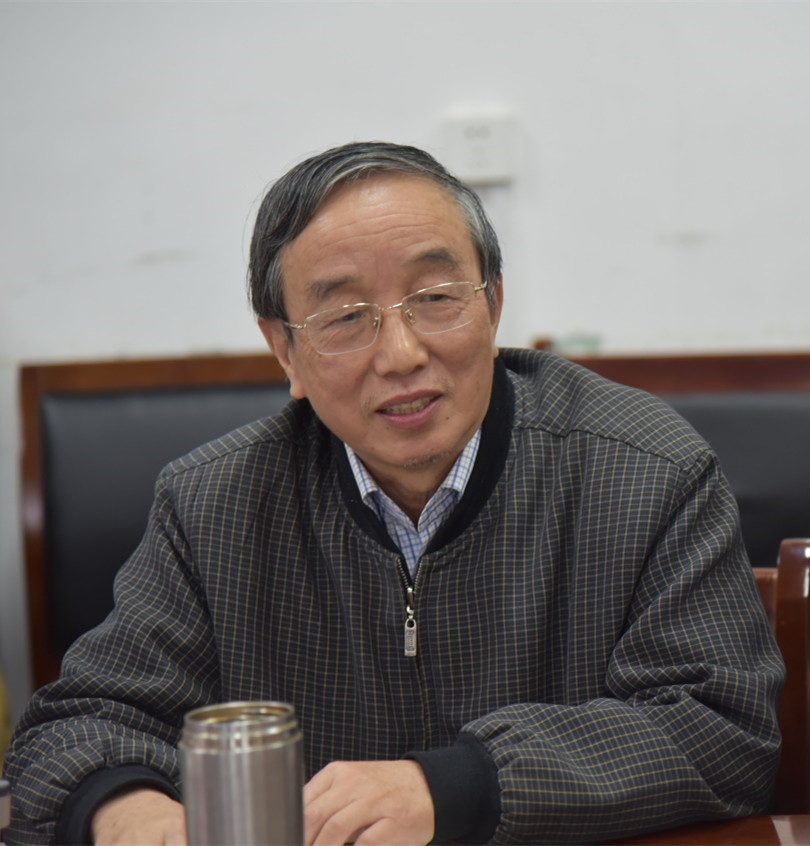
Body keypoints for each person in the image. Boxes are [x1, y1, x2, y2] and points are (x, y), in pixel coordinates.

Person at [3, 141, 783, 846]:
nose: (402, 354)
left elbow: (722, 730)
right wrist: (133, 817)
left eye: (436, 297)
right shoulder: (213, 506)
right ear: (286, 351)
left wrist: (457, 787)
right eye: (346, 317)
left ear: (493, 303)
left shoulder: (648, 470)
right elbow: (76, 727)